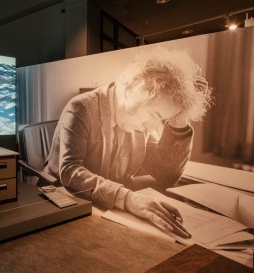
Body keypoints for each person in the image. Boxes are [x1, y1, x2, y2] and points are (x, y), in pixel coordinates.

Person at [45, 47, 212, 239]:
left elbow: (164, 174)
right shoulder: (81, 107)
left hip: (109, 209)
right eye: (154, 115)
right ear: (136, 89)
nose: (152, 127)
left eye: (162, 119)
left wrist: (178, 121)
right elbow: (70, 171)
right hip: (66, 203)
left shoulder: (141, 124)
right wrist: (127, 198)